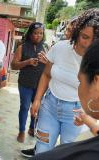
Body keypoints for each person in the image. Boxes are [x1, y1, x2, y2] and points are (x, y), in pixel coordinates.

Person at [30, 8, 99, 154]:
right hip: (50, 105)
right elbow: (46, 74)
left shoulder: (95, 61)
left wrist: (89, 116)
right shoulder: (60, 48)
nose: (87, 44)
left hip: (77, 113)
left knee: (68, 154)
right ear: (77, 32)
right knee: (42, 149)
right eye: (84, 37)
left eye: (94, 40)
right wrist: (37, 99)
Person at [11, 22, 49, 143]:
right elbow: (13, 65)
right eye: (35, 33)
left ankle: (32, 128)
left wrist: (46, 62)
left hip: (40, 85)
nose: (38, 36)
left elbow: (51, 66)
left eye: (41, 33)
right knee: (25, 107)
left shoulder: (47, 47)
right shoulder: (22, 47)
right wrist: (27, 62)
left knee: (36, 107)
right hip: (25, 84)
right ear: (30, 33)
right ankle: (21, 131)